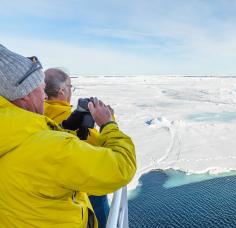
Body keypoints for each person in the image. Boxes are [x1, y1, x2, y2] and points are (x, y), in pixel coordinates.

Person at [0, 44, 136, 228]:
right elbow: (121, 166)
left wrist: (68, 126)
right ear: (24, 95)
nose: (45, 97)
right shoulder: (51, 148)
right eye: (41, 89)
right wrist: (108, 124)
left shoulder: (12, 132)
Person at [44, 68, 110, 228]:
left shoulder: (37, 113)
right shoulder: (69, 119)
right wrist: (108, 123)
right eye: (70, 86)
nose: (71, 90)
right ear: (61, 90)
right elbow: (105, 152)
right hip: (81, 190)